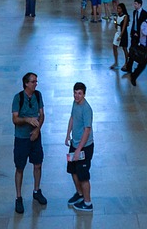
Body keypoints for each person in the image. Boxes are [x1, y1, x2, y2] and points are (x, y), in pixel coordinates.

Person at [11, 72, 47, 214]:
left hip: (35, 137)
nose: (35, 84)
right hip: (21, 138)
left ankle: (36, 190)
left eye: (36, 81)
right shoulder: (18, 98)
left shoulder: (38, 95)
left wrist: (37, 129)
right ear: (26, 83)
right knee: (20, 167)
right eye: (33, 82)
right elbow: (15, 119)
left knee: (38, 164)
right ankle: (18, 197)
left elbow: (42, 115)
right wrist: (26, 120)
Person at [64, 82, 95, 212]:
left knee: (83, 175)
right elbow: (72, 118)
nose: (77, 96)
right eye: (75, 93)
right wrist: (67, 135)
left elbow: (87, 131)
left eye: (79, 93)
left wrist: (78, 150)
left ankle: (87, 203)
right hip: (74, 144)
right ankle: (79, 194)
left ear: (84, 94)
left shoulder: (87, 109)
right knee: (72, 170)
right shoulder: (75, 103)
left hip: (84, 147)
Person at [110, 2, 129, 70]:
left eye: (119, 8)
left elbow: (123, 27)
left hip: (123, 34)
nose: (118, 10)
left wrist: (120, 35)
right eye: (117, 8)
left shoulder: (125, 16)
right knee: (114, 47)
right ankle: (116, 62)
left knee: (124, 48)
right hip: (117, 32)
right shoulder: (118, 16)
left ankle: (127, 63)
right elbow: (116, 26)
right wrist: (115, 21)